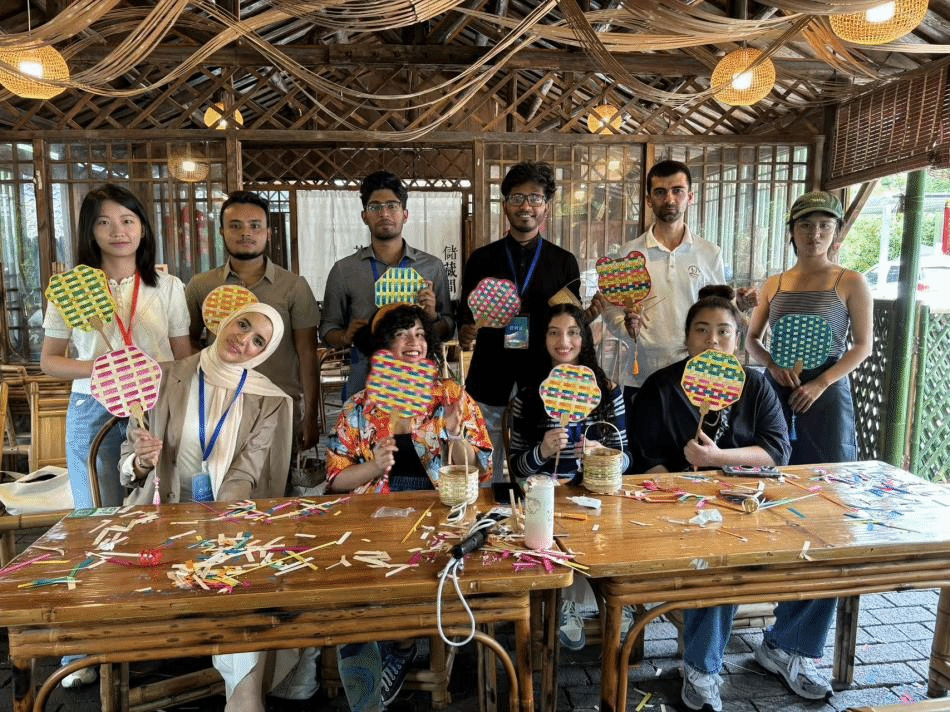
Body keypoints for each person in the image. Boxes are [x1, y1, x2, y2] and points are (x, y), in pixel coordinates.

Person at [630, 286, 837, 712]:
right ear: (687, 337)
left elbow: (777, 451)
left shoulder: (756, 385)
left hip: (754, 504)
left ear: (738, 338)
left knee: (824, 550)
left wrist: (716, 458)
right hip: (684, 512)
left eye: (723, 331)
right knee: (720, 559)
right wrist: (682, 489)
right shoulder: (660, 387)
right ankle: (701, 668)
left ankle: (786, 648)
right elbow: (647, 462)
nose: (713, 339)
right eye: (702, 330)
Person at [120, 303, 303, 712]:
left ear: (265, 352)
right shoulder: (163, 375)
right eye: (243, 324)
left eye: (258, 340)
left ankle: (244, 698)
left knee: (243, 574)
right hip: (158, 520)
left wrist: (219, 530)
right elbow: (127, 464)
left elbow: (244, 475)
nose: (244, 340)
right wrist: (142, 461)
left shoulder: (268, 399)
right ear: (225, 321)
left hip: (224, 516)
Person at [325, 302, 492, 711]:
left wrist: (455, 435)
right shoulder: (359, 407)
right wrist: (373, 467)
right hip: (373, 518)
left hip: (439, 515)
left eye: (419, 333)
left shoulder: (451, 396)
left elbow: (480, 468)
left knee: (416, 580)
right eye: (401, 334)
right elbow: (335, 481)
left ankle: (399, 645)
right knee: (356, 587)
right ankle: (378, 660)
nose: (412, 342)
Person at [41, 184, 192, 510]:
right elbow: (49, 361)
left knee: (159, 500)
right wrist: (107, 369)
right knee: (97, 508)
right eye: (103, 222)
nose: (118, 231)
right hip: (92, 404)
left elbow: (183, 358)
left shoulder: (169, 287)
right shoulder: (71, 289)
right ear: (90, 231)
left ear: (142, 228)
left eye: (127, 220)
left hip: (156, 401)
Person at [507, 303, 631, 651]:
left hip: (596, 498)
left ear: (584, 338)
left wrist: (601, 456)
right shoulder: (529, 396)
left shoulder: (608, 391)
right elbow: (518, 468)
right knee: (556, 528)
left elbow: (627, 459)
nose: (564, 342)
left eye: (573, 332)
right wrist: (543, 452)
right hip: (547, 499)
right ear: (543, 339)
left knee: (601, 531)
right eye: (554, 333)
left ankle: (594, 597)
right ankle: (566, 601)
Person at [458, 161, 582, 487]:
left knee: (537, 473)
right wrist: (466, 331)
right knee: (483, 471)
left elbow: (571, 324)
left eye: (535, 198)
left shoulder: (564, 262)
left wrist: (589, 317)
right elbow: (464, 317)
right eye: (517, 198)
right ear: (505, 205)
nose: (526, 206)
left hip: (542, 380)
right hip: (489, 375)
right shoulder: (481, 259)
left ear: (546, 207)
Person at [597, 159, 738, 415]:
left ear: (690, 196)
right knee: (643, 440)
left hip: (698, 375)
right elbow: (611, 309)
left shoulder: (710, 253)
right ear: (649, 200)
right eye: (660, 192)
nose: (669, 199)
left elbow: (721, 311)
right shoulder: (629, 254)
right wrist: (627, 329)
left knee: (695, 440)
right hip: (642, 375)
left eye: (677, 191)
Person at [184, 191, 321, 452]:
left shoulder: (293, 286)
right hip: (218, 406)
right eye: (235, 226)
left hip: (278, 406)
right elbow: (184, 341)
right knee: (218, 474)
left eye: (255, 226)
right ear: (222, 231)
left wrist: (311, 416)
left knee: (279, 476)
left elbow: (307, 352)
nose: (246, 233)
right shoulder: (201, 285)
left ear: (268, 232)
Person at [747, 190, 872, 465]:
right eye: (805, 225)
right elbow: (751, 339)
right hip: (777, 388)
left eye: (824, 225)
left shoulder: (851, 281)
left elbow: (863, 346)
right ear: (792, 231)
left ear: (836, 231)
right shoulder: (774, 283)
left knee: (829, 473)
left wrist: (820, 383)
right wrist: (771, 365)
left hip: (827, 390)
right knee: (772, 467)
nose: (814, 234)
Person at [321, 171, 454, 397]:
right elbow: (327, 330)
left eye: (392, 205)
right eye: (375, 207)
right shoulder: (344, 270)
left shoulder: (431, 267)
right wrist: (345, 336)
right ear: (364, 216)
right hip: (365, 377)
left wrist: (431, 317)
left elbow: (449, 327)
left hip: (418, 380)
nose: (384, 213)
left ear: (405, 214)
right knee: (361, 421)